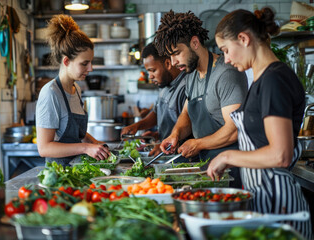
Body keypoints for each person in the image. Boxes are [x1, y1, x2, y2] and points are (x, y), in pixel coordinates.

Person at [207, 8, 312, 238]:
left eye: (226, 50)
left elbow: (280, 155)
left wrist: (226, 156)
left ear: (243, 39)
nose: (226, 59)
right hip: (264, 198)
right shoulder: (262, 79)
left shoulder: (274, 80)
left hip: (279, 204)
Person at [155, 10, 248, 188]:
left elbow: (234, 130)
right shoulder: (191, 74)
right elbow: (186, 115)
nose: (173, 62)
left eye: (177, 53)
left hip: (228, 170)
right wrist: (175, 135)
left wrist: (197, 143)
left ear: (195, 42)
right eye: (170, 56)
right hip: (206, 166)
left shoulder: (226, 73)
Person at [36, 15, 110, 166]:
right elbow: (44, 148)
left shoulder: (76, 88)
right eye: (84, 63)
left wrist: (95, 144)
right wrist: (86, 148)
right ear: (66, 61)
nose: (90, 69)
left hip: (77, 170)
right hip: (59, 175)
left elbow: (77, 134)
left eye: (90, 62)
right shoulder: (50, 93)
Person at [121, 42, 189, 157]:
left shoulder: (185, 87)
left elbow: (188, 128)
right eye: (148, 71)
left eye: (152, 70)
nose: (150, 76)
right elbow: (156, 113)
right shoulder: (164, 84)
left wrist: (165, 145)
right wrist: (138, 126)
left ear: (168, 63)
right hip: (164, 150)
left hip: (178, 156)